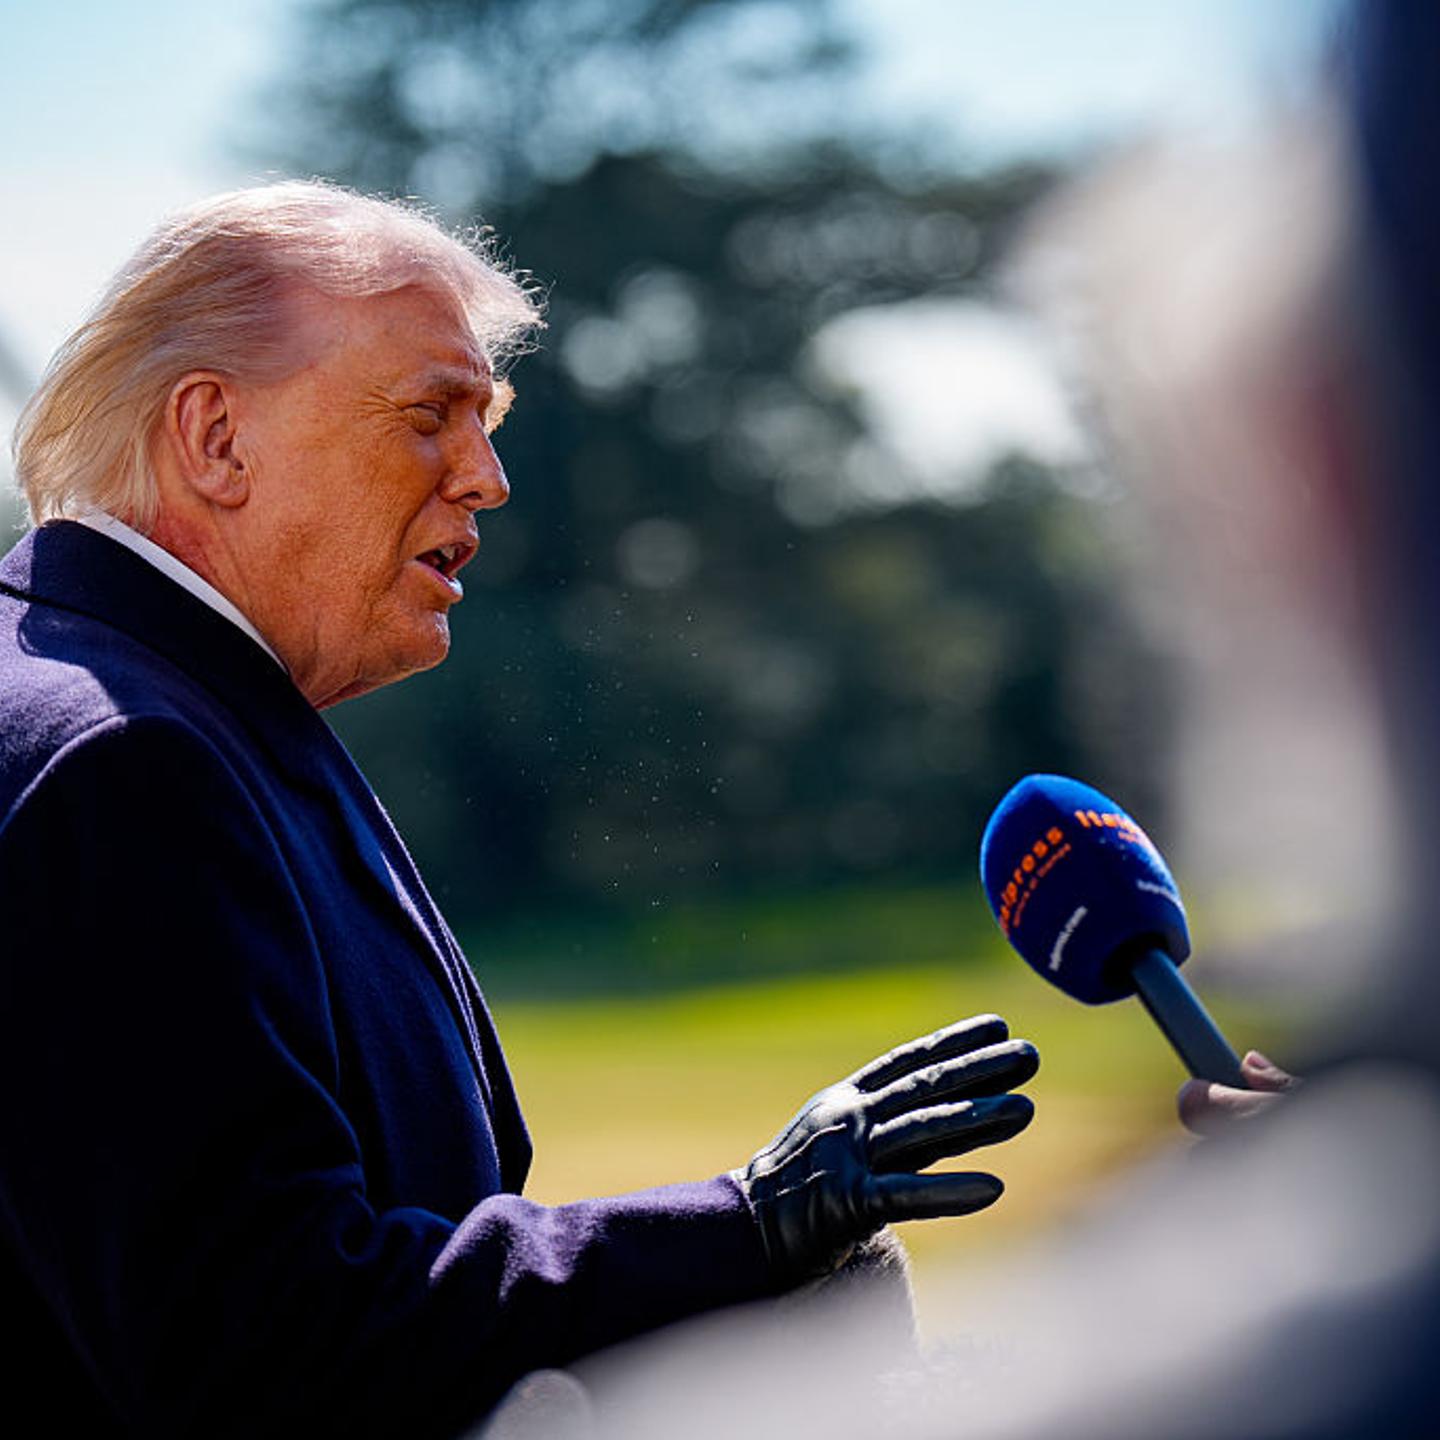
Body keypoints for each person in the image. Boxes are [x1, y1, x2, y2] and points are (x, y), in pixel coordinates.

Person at [0, 182, 1039, 1438]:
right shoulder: (125, 759)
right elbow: (264, 1349)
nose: (486, 477)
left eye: (484, 421)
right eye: (430, 413)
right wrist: (747, 1228)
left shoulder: (158, 702)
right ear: (217, 438)